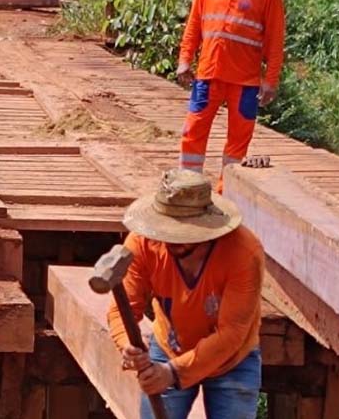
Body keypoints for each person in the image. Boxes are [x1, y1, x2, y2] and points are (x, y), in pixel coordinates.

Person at [107, 169, 265, 418]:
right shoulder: (142, 243)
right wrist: (127, 345)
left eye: (181, 234)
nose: (170, 240)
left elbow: (232, 333)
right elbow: (123, 308)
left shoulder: (243, 252)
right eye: (166, 230)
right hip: (169, 345)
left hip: (232, 360)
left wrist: (171, 373)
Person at [176, 0, 285, 186]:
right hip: (209, 74)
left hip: (245, 81)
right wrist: (184, 60)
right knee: (193, 131)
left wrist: (270, 80)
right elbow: (194, 24)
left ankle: (228, 193)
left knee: (238, 142)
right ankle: (188, 187)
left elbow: (275, 40)